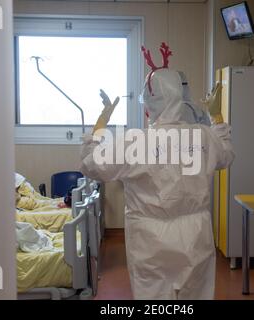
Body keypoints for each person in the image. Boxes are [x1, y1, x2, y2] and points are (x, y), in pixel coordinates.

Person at [80, 43, 234, 300]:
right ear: (179, 98)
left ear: (149, 104)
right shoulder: (203, 136)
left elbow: (90, 164)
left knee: (153, 298)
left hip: (149, 239)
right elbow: (227, 155)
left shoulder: (135, 141)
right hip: (195, 234)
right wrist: (216, 116)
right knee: (194, 295)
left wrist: (100, 124)